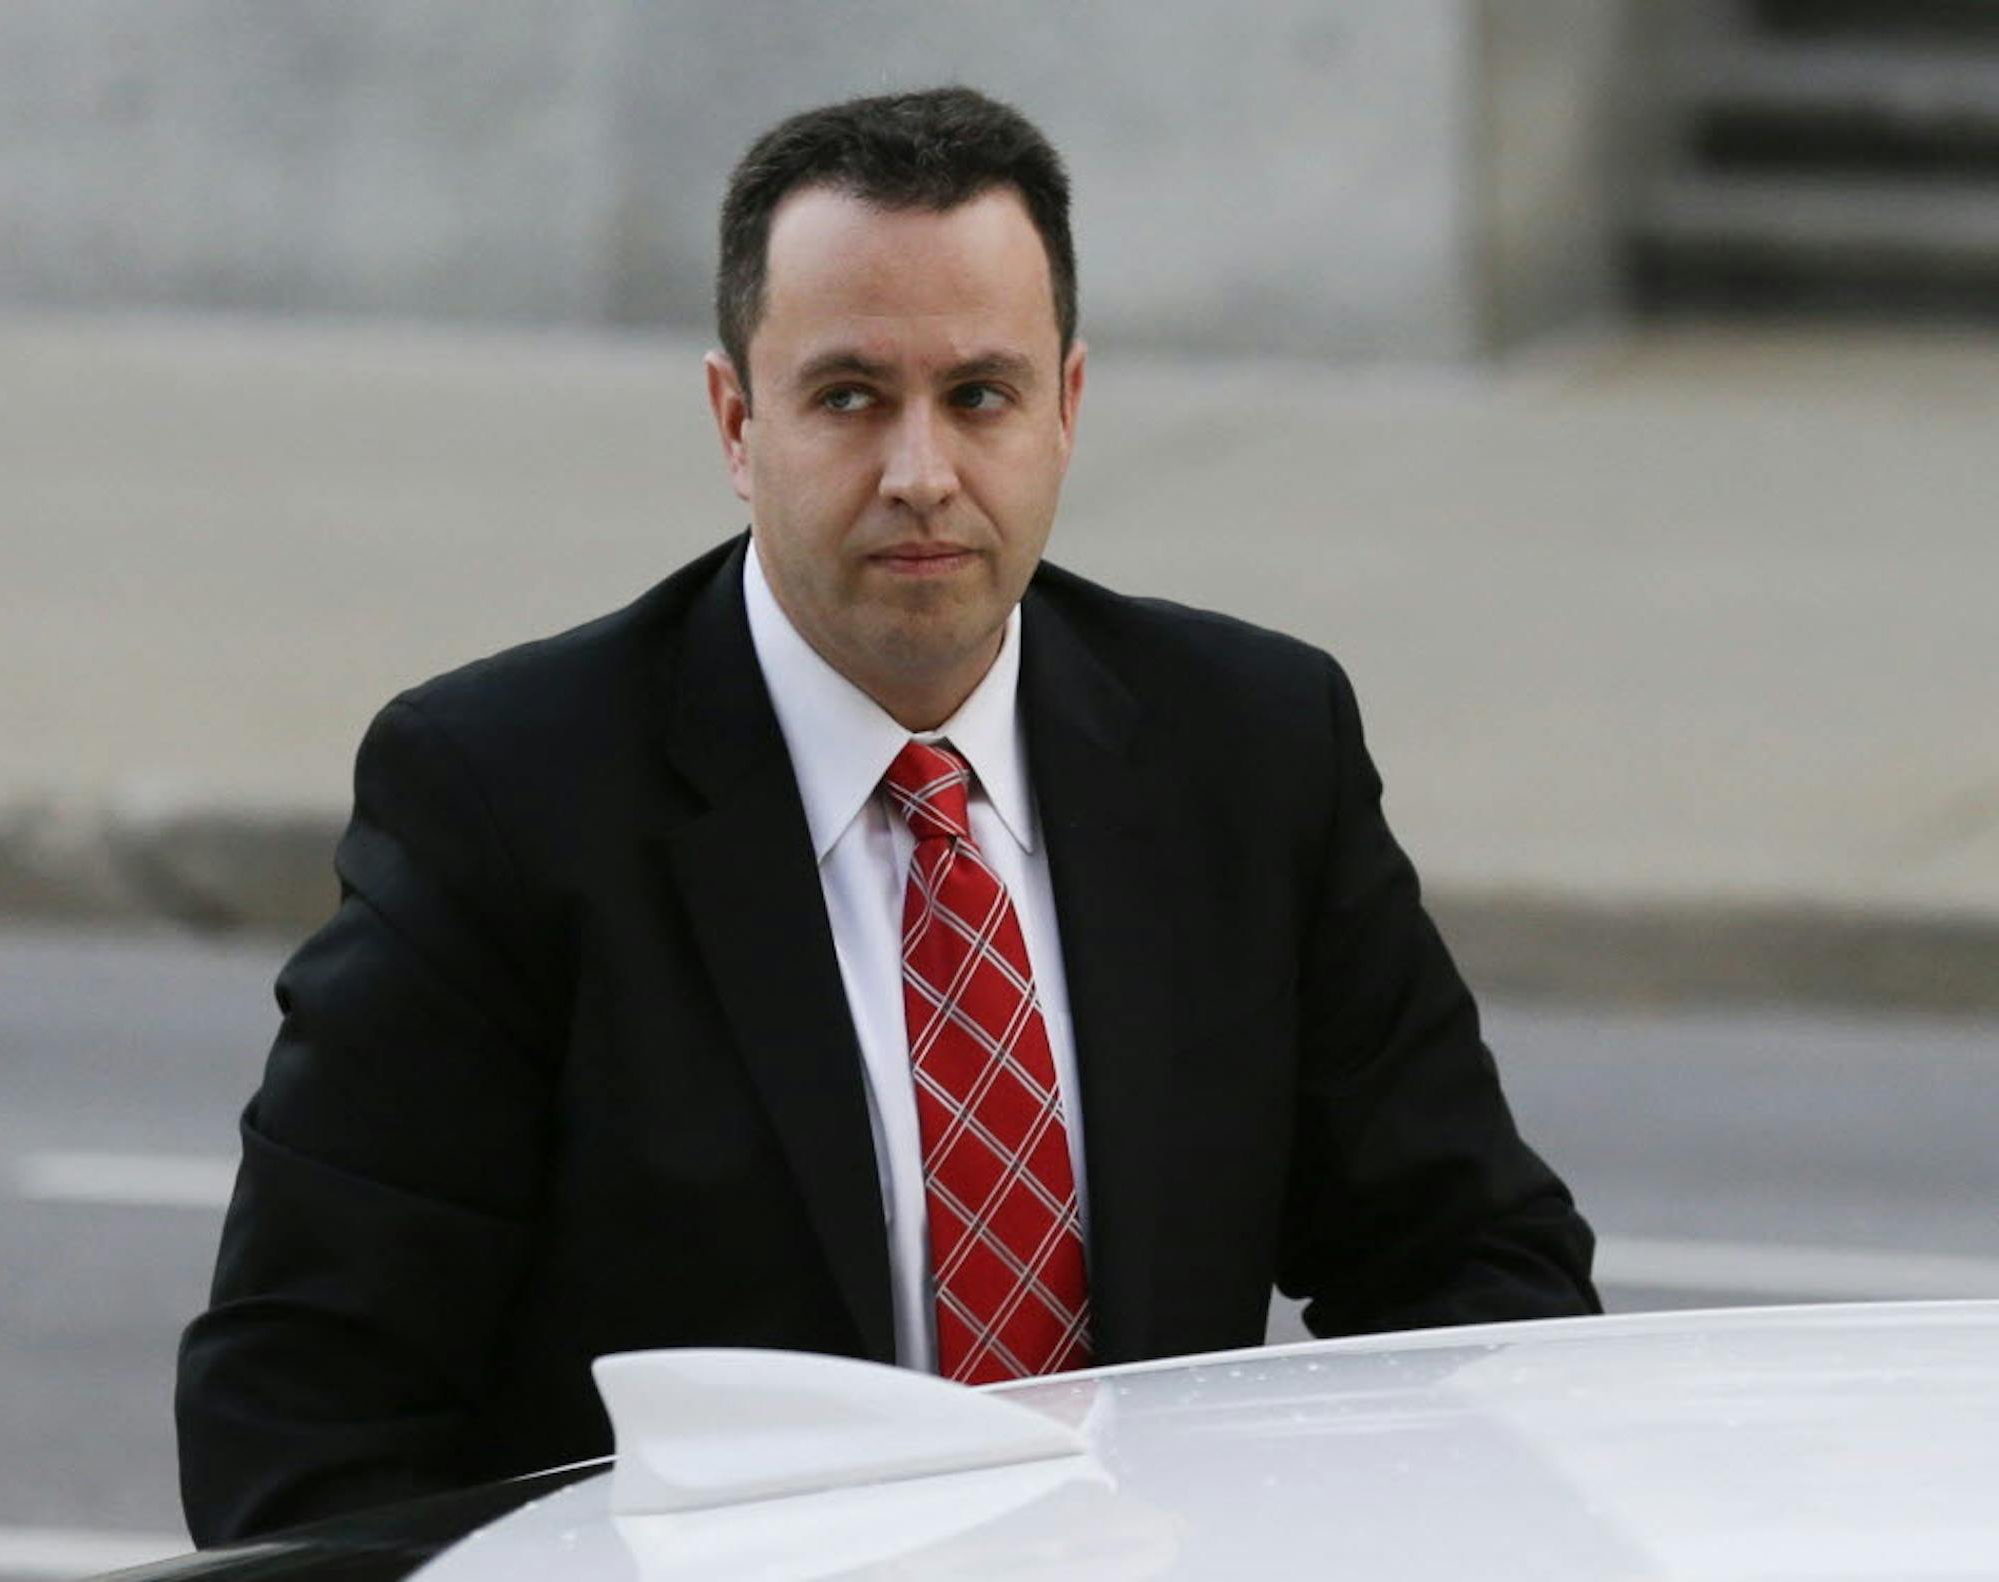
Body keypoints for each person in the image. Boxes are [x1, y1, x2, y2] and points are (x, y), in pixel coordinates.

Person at [176, 85, 1598, 1546]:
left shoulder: (1251, 748)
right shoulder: (507, 795)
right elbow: (304, 1410)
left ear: (1068, 407)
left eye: (979, 394)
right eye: (850, 395)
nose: (923, 474)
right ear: (738, 420)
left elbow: (1478, 1272)